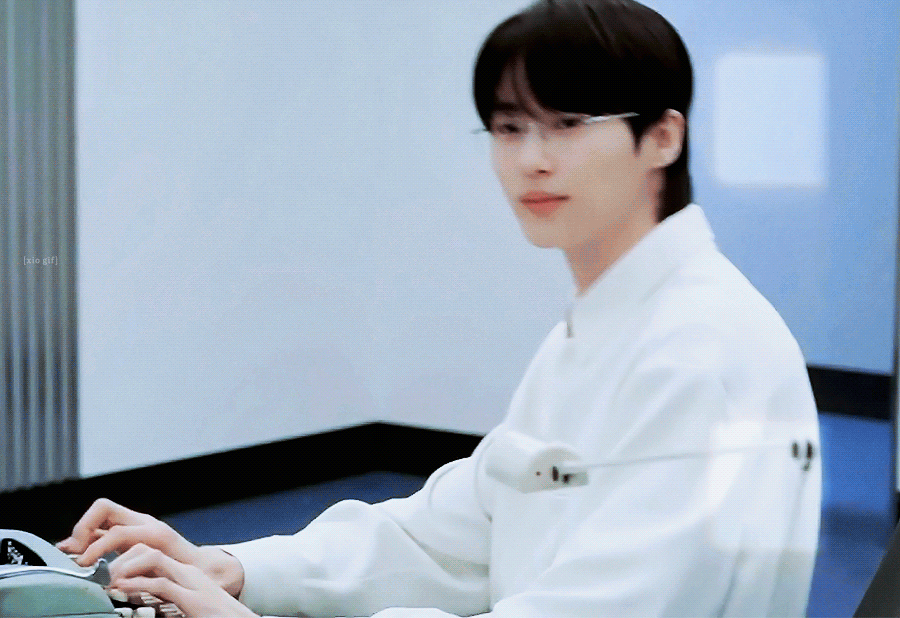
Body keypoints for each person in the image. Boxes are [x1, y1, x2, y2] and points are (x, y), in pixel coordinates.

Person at [58, 0, 822, 616]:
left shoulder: (702, 355)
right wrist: (231, 569)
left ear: (662, 137)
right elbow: (456, 533)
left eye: (568, 124)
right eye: (510, 127)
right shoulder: (603, 327)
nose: (531, 159)